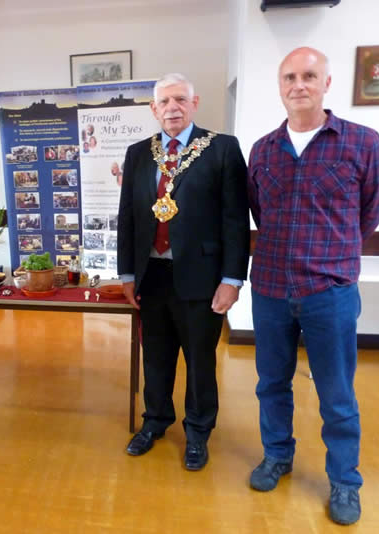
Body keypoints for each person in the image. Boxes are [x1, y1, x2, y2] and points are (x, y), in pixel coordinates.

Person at [246, 47, 379, 526]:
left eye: (309, 75)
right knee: (271, 384)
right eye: (290, 76)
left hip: (329, 292)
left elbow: (369, 213)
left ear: (327, 83)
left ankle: (345, 482)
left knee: (337, 393)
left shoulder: (362, 142)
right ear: (280, 85)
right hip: (268, 288)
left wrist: (331, 255)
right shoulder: (263, 149)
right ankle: (277, 455)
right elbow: (260, 214)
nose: (298, 84)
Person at [117, 73, 250, 470]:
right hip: (152, 275)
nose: (171, 108)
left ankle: (197, 431)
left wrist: (232, 280)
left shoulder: (222, 149)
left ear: (195, 103)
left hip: (202, 277)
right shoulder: (139, 153)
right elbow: (128, 218)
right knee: (155, 357)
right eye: (163, 102)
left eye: (180, 100)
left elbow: (235, 220)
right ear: (153, 109)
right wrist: (127, 274)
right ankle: (155, 421)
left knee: (199, 360)